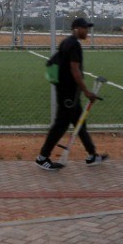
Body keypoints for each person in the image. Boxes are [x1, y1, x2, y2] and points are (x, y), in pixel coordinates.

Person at [36, 18, 107, 171]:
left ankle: (92, 155)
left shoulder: (67, 42)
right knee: (60, 126)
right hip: (68, 94)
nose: (87, 31)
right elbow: (75, 71)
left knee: (80, 124)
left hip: (69, 93)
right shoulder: (74, 44)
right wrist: (87, 91)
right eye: (84, 28)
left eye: (87, 28)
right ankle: (42, 157)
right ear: (76, 28)